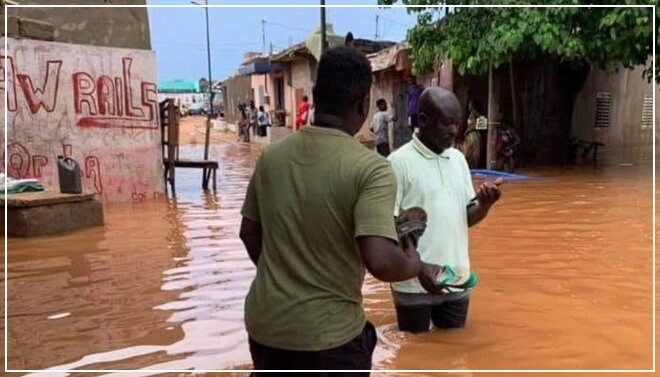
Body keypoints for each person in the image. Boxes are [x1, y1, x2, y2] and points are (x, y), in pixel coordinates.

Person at [240, 46, 440, 375]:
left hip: (266, 326)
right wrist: (416, 264)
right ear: (363, 104)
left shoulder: (272, 157)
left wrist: (287, 279)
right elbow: (381, 261)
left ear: (316, 97)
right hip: (328, 338)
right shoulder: (370, 168)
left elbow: (249, 233)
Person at [388, 87, 502, 333]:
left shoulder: (458, 160)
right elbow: (387, 228)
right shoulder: (397, 163)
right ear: (424, 121)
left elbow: (465, 219)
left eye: (457, 123)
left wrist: (484, 204)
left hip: (455, 278)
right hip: (412, 284)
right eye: (447, 123)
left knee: (453, 352)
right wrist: (417, 268)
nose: (454, 131)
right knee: (415, 357)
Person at [461, 99, 483, 168]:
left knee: (473, 154)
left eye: (470, 104)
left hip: (473, 135)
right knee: (469, 153)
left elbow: (483, 124)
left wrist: (471, 128)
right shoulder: (471, 114)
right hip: (470, 136)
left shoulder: (475, 113)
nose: (469, 106)